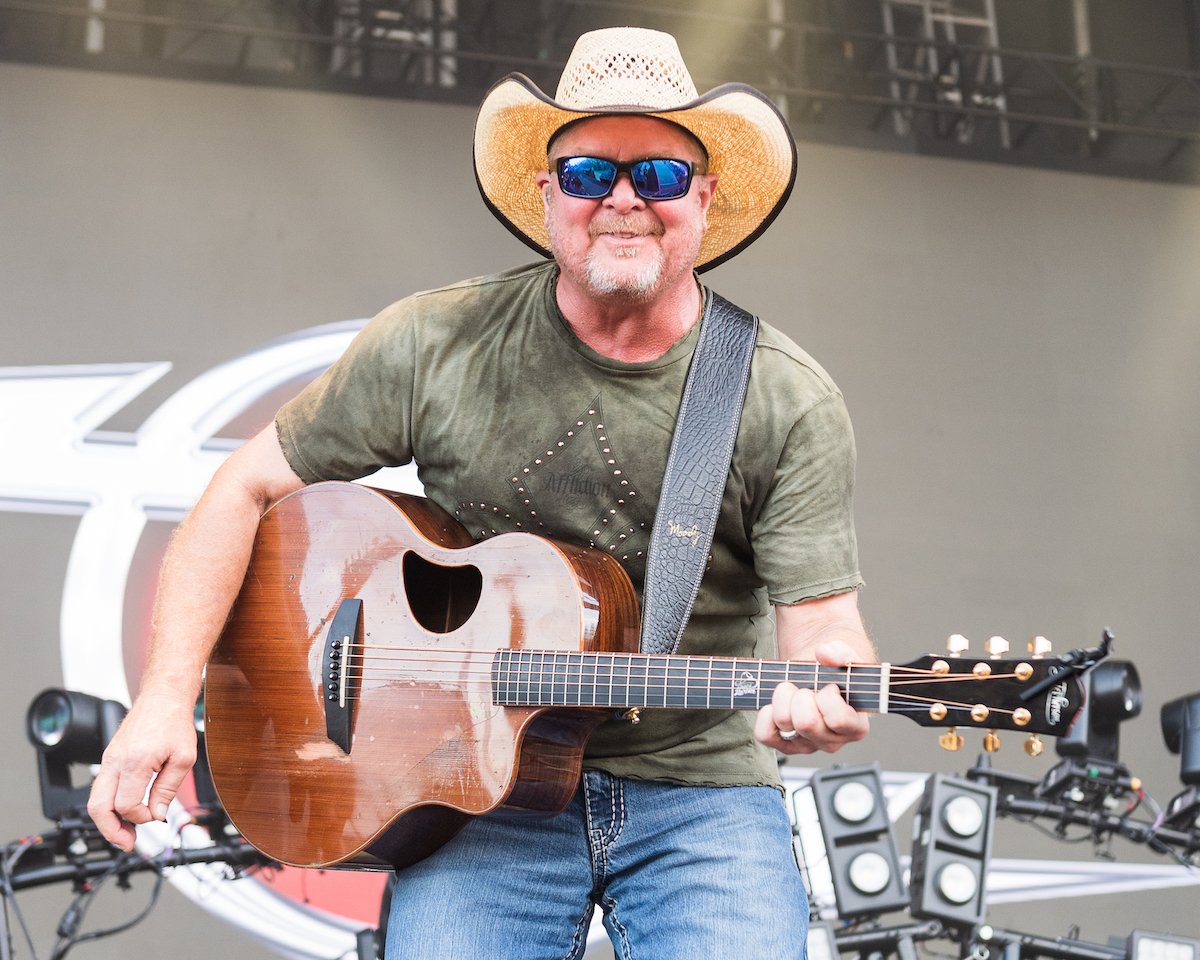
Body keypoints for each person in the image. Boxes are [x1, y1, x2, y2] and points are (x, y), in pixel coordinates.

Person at [88, 26, 875, 959]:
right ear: (547, 194)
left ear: (705, 198)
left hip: (696, 791)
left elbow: (823, 632)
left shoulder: (783, 396)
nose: (623, 200)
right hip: (473, 790)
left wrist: (829, 692)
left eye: (658, 177)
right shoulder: (436, 342)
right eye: (589, 174)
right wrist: (164, 699)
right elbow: (244, 489)